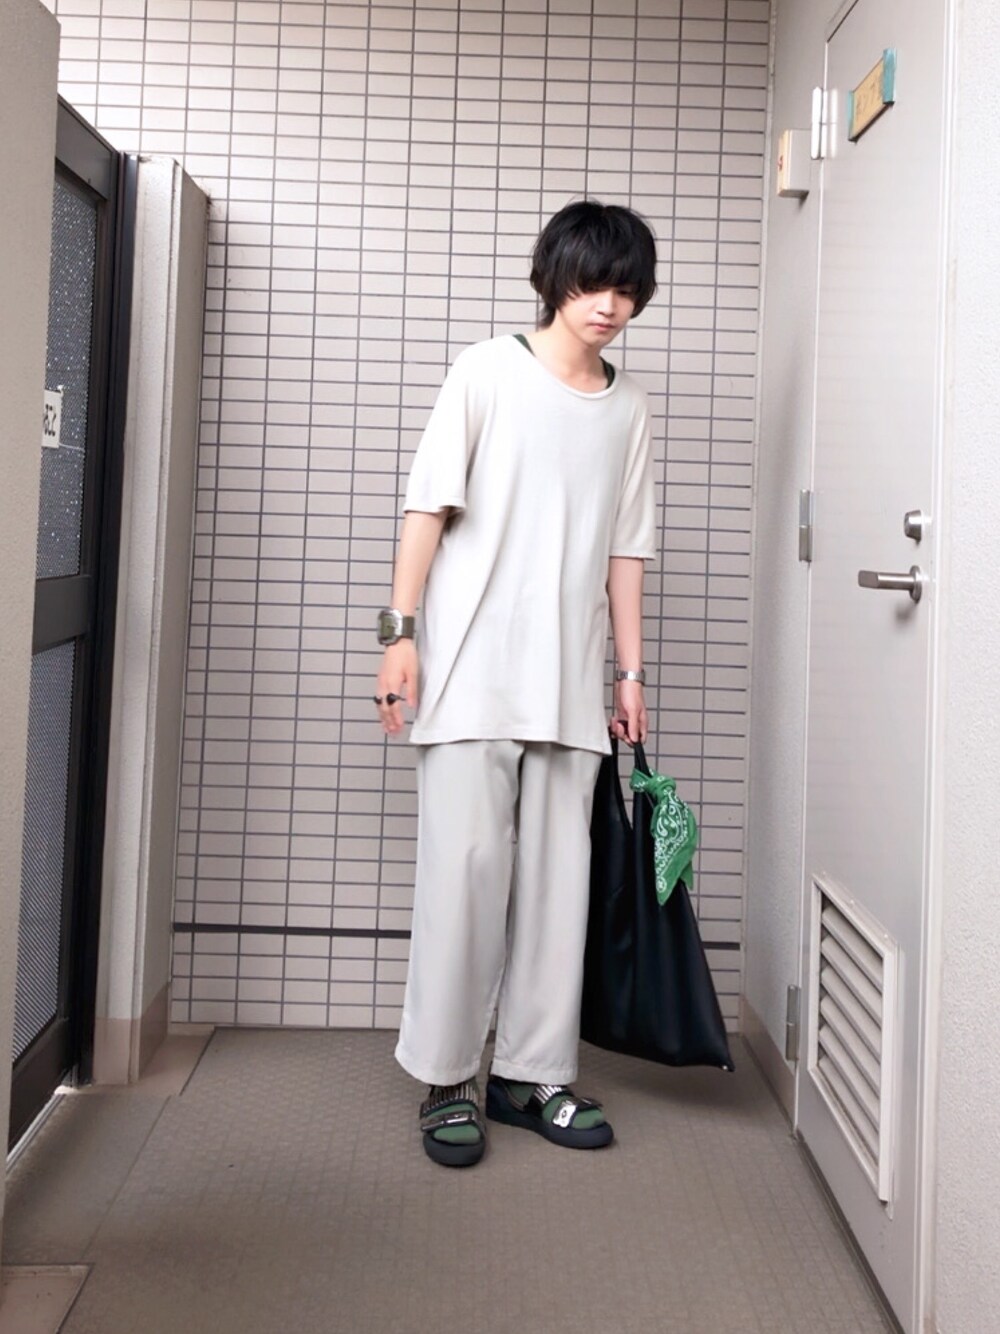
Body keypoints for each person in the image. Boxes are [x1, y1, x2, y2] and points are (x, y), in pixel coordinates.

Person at [373, 199, 658, 1168]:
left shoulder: (627, 407)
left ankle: (532, 1075)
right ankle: (448, 1079)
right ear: (555, 279)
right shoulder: (485, 371)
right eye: (594, 284)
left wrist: (628, 672)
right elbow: (426, 507)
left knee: (556, 890)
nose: (609, 305)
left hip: (568, 685)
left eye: (626, 289)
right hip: (468, 673)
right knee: (463, 879)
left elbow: (626, 550)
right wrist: (398, 634)